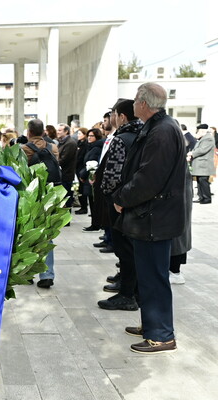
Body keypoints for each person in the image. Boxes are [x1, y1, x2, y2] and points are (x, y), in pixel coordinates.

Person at [113, 82, 187, 354]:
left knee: (154, 278)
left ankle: (161, 335)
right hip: (151, 217)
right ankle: (152, 325)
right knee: (148, 277)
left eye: (135, 100)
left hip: (155, 217)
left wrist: (122, 198)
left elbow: (148, 178)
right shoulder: (158, 126)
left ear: (143, 103)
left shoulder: (163, 131)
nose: (133, 105)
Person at [97, 99, 143, 310]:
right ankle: (131, 288)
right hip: (136, 200)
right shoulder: (143, 135)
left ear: (122, 116)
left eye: (114, 114)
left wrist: (111, 195)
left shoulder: (121, 139)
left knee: (124, 249)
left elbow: (112, 174)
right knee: (132, 249)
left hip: (119, 203)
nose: (112, 118)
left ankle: (127, 295)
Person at [21, 118, 59, 289]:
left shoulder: (25, 149)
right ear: (43, 132)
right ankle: (47, 274)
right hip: (50, 194)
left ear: (29, 132)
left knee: (28, 232)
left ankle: (28, 273)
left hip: (31, 194)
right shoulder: (53, 147)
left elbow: (20, 172)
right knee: (47, 234)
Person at [79, 128, 103, 231]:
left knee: (94, 203)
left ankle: (96, 224)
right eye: (88, 136)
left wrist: (82, 175)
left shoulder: (96, 148)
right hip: (89, 178)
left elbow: (91, 164)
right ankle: (95, 223)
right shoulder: (91, 147)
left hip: (91, 178)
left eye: (92, 136)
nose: (89, 137)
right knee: (92, 202)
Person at [188, 124, 214, 204]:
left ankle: (207, 198)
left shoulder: (208, 138)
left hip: (204, 164)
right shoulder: (203, 138)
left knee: (203, 181)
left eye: (198, 131)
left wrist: (192, 153)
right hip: (201, 164)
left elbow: (202, 150)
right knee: (200, 181)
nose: (197, 133)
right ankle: (202, 197)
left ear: (202, 131)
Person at [56, 123, 77, 209]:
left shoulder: (70, 143)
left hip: (66, 175)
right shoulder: (61, 142)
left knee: (66, 199)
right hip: (62, 175)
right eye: (57, 130)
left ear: (66, 132)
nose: (58, 132)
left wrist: (54, 163)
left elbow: (64, 160)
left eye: (60, 130)